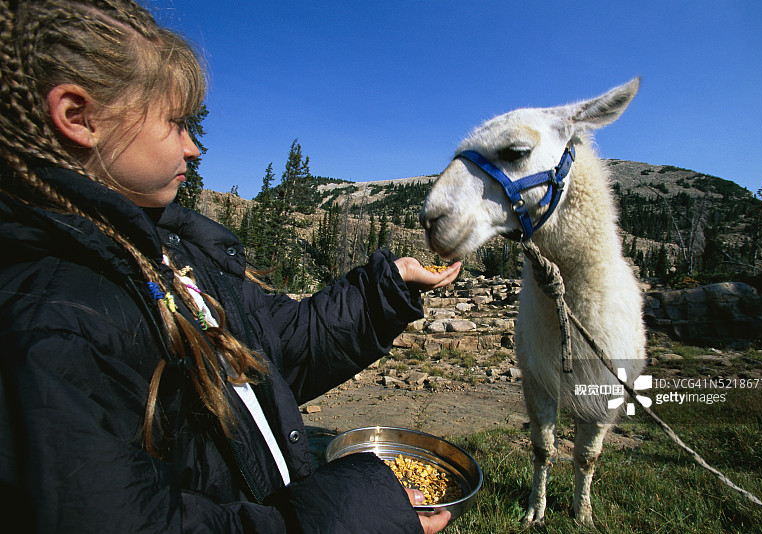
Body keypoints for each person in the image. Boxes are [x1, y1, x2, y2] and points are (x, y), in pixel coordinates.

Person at [0, 1, 461, 532]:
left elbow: (278, 344)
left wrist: (389, 283)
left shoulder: (173, 252)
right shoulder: (49, 323)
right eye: (175, 123)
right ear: (80, 117)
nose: (192, 148)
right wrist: (356, 514)